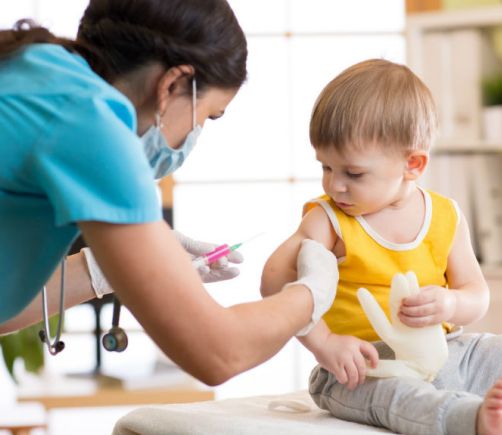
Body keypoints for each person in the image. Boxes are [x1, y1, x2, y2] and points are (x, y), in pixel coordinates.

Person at [0, 0, 339, 386]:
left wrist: (99, 271)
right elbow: (219, 353)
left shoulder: (37, 71)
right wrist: (310, 293)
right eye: (207, 115)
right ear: (173, 85)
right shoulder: (90, 123)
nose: (196, 133)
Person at [260, 59, 502, 435]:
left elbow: (476, 294)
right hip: (361, 366)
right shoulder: (327, 221)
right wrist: (324, 343)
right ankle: (468, 419)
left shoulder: (445, 216)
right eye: (325, 167)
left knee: (493, 350)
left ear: (413, 165)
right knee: (397, 396)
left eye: (353, 173)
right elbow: (274, 281)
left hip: (445, 350)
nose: (334, 185)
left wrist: (451, 303)